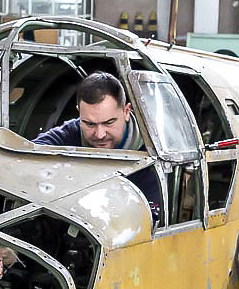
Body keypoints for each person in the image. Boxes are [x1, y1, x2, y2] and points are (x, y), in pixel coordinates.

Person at [33, 71, 164, 218]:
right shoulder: (71, 132)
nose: (99, 134)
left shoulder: (153, 151)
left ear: (126, 112)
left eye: (109, 123)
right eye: (89, 124)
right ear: (79, 114)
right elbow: (29, 154)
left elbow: (151, 220)